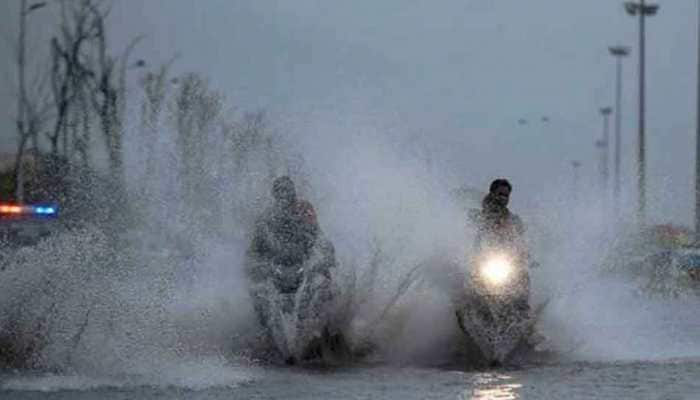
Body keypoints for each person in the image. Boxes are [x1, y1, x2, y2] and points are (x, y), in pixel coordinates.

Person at [247, 176, 323, 289]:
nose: (284, 195)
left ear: (293, 192)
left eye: (287, 190)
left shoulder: (304, 209)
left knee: (321, 282)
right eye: (280, 191)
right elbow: (255, 247)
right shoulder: (267, 216)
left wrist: (321, 253)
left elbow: (316, 234)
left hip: (303, 258)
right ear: (275, 195)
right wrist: (255, 264)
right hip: (277, 262)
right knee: (258, 288)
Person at [474, 178, 526, 255]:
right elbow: (471, 238)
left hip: (505, 259)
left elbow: (520, 242)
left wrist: (524, 255)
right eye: (500, 194)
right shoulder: (479, 216)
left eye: (506, 196)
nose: (503, 198)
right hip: (482, 257)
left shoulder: (513, 220)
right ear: (492, 193)